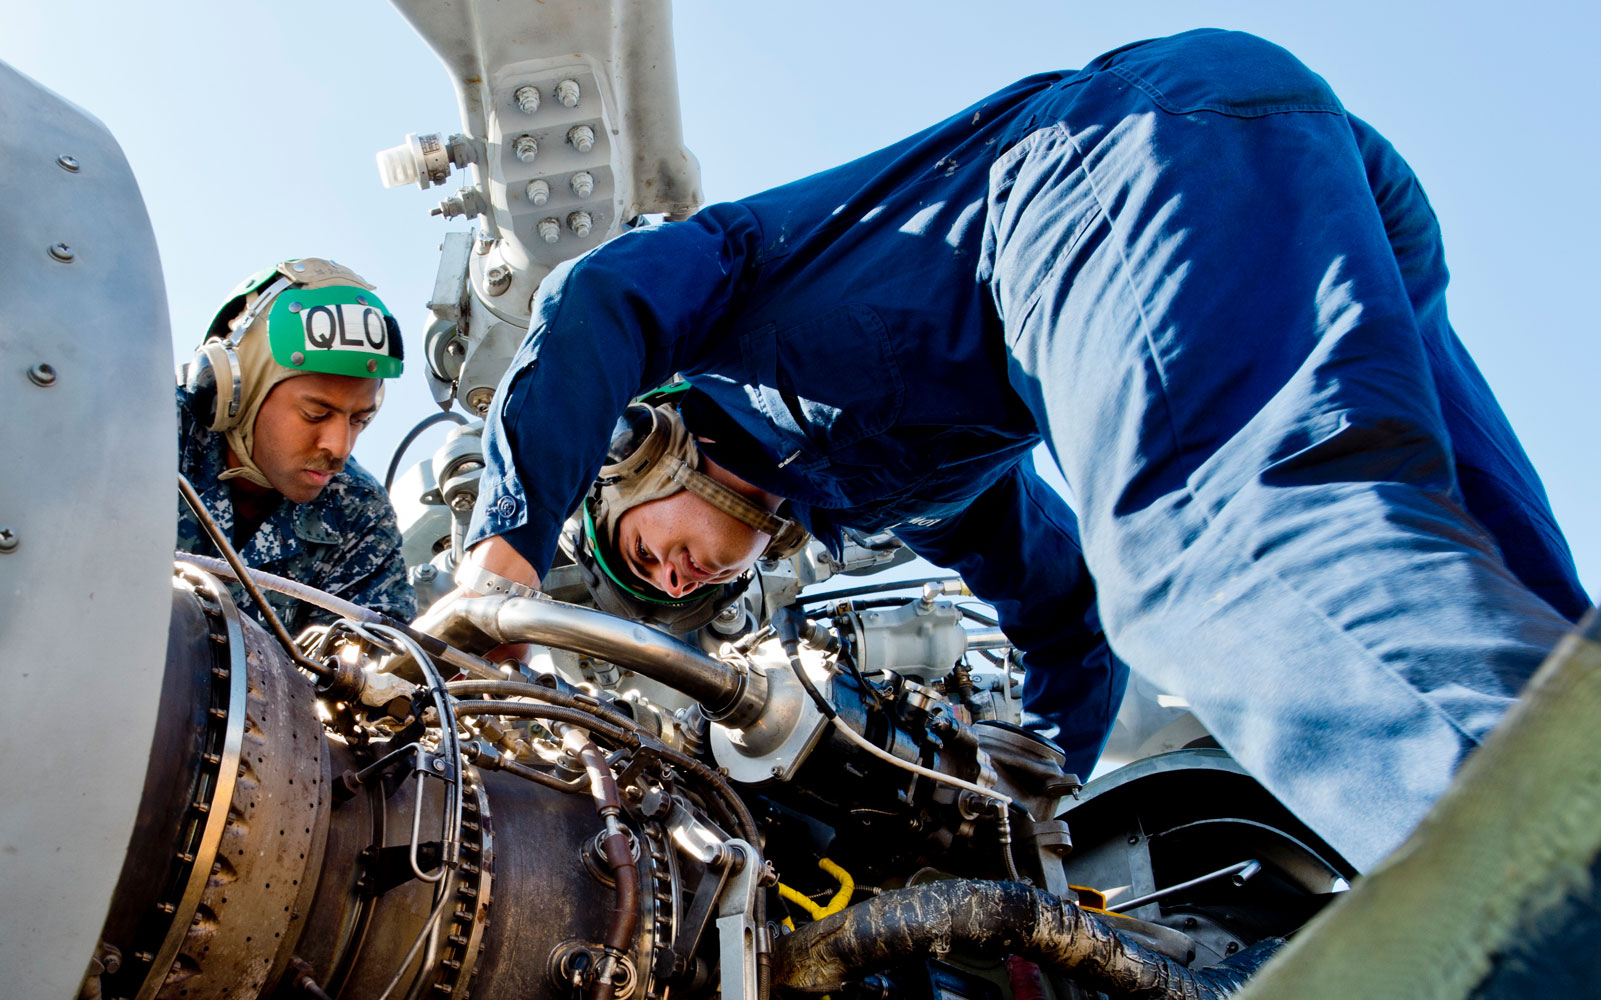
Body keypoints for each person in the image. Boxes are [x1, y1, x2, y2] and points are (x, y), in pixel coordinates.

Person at [454, 29, 1590, 873]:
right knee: (1496, 583)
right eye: (665, 593)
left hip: (1112, 157)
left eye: (642, 555)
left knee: (1211, 555)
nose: (675, 581)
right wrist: (1033, 797)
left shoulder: (734, 304)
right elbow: (1065, 616)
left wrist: (502, 551)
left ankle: (1548, 875)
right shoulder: (914, 490)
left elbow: (598, 297)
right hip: (1296, 162)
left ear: (638, 454)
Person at [177, 257, 416, 631]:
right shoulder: (145, 432)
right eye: (315, 414)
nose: (339, 447)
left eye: (359, 420)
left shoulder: (358, 514)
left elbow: (378, 665)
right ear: (233, 391)